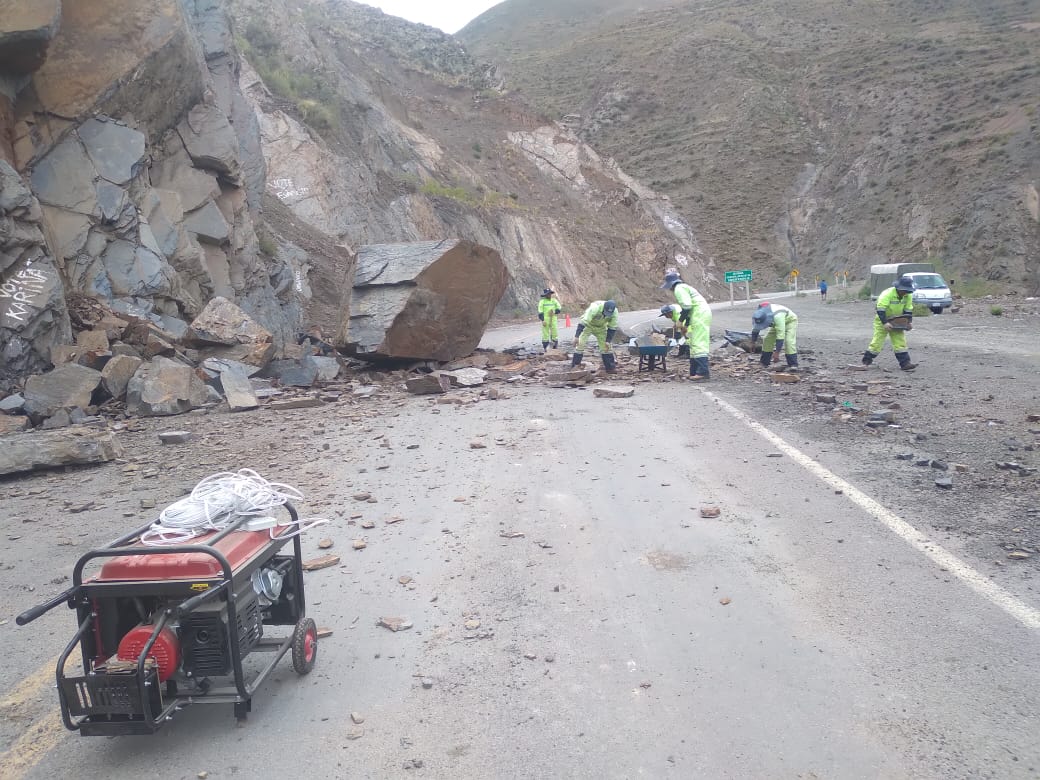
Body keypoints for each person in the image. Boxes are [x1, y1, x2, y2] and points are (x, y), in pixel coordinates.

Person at [660, 270, 712, 381]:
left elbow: (687, 307)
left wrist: (680, 321)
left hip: (700, 315)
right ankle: (694, 372)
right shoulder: (684, 288)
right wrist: (686, 325)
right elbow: (688, 309)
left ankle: (703, 372)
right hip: (696, 314)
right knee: (693, 343)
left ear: (670, 285)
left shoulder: (679, 289)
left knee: (698, 343)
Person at [863, 275, 917, 370]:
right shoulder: (887, 294)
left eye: (907, 291)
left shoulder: (908, 295)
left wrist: (908, 322)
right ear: (898, 288)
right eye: (904, 290)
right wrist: (885, 323)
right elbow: (880, 309)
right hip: (882, 320)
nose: (906, 292)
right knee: (877, 341)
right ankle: (866, 361)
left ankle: (905, 363)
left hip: (897, 320)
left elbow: (908, 310)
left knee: (900, 341)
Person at [572, 299, 619, 373]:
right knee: (580, 344)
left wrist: (608, 341)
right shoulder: (595, 308)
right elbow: (584, 321)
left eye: (608, 314)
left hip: (601, 327)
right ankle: (575, 366)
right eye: (605, 312)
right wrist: (576, 336)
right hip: (588, 325)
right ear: (604, 308)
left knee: (606, 347)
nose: (606, 315)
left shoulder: (614, 312)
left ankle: (610, 368)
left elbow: (612, 328)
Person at [750, 302, 799, 368]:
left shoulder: (777, 317)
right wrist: (753, 342)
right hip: (776, 323)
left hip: (789, 321)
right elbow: (756, 329)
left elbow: (780, 336)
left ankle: (793, 364)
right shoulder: (759, 315)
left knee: (789, 341)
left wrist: (777, 353)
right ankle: (764, 362)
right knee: (767, 339)